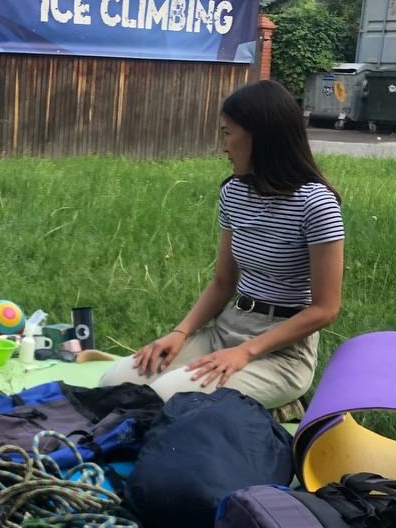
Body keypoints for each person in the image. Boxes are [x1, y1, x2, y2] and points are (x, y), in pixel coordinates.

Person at [98, 79, 344, 410]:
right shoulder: (234, 193)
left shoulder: (316, 204)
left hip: (282, 351)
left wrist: (246, 352)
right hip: (227, 330)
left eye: (228, 133)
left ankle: (281, 406)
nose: (224, 146)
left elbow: (325, 310)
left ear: (260, 137)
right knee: (113, 384)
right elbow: (223, 283)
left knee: (168, 401)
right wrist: (179, 333)